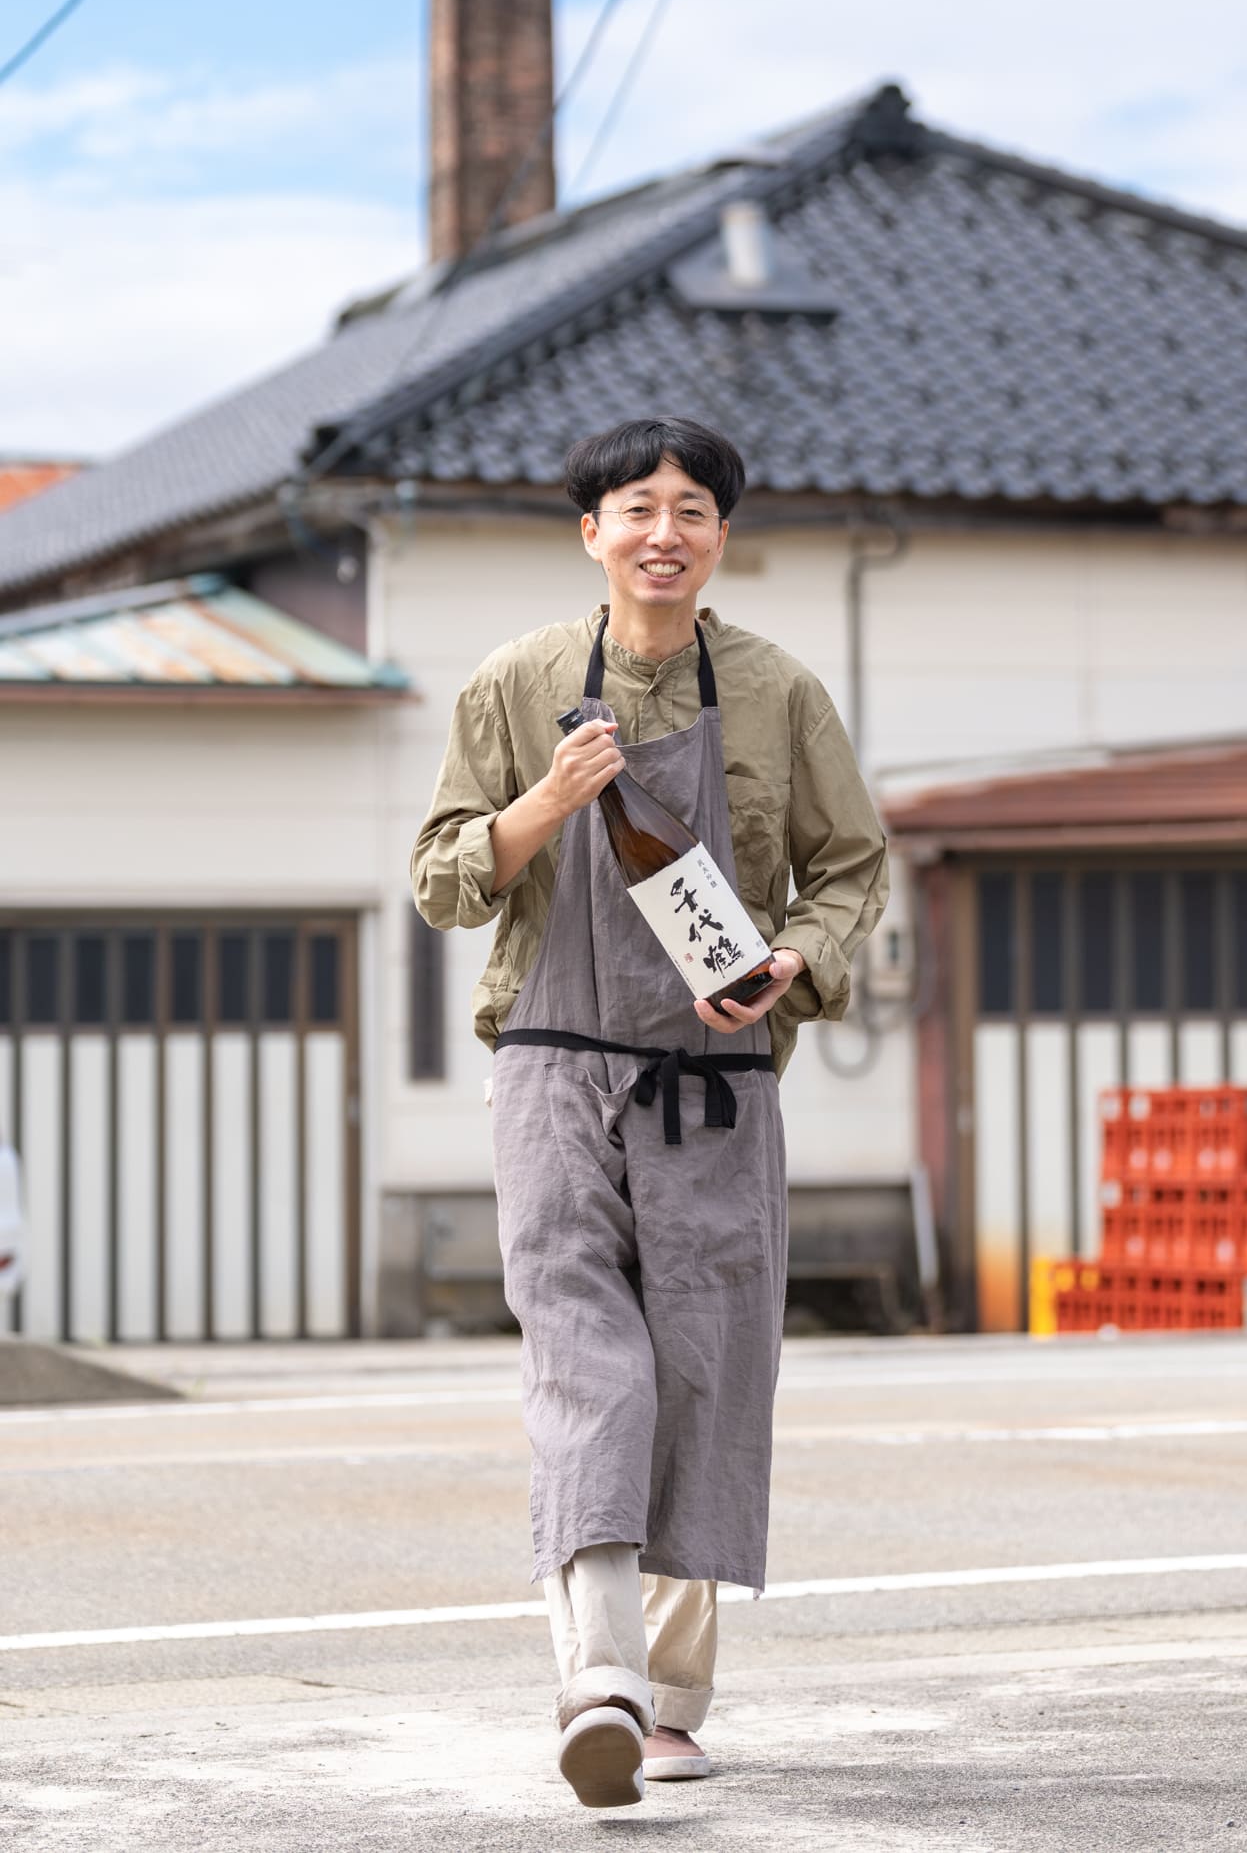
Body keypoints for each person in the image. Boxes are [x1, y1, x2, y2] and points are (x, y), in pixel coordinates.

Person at [411, 416, 889, 1807]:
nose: (662, 532)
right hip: (551, 1063)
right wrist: (544, 804)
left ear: (721, 536)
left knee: (701, 1372)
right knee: (587, 1362)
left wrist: (796, 961)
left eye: (691, 509)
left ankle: (667, 1699)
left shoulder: (779, 692)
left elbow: (851, 869)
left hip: (719, 1084)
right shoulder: (516, 683)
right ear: (592, 532)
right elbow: (440, 879)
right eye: (637, 507)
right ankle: (602, 1682)